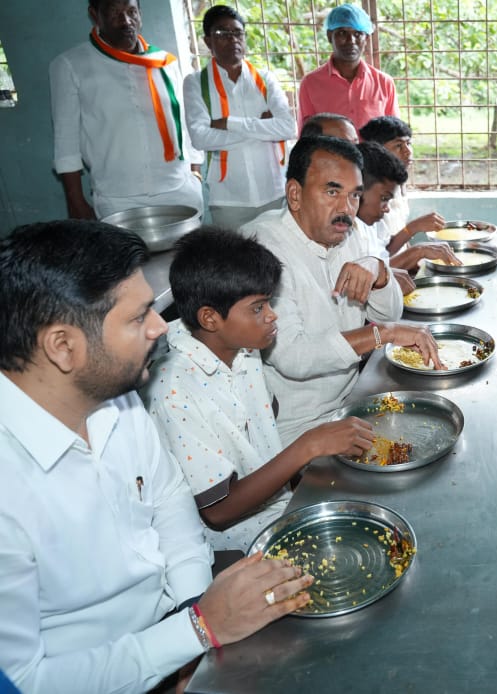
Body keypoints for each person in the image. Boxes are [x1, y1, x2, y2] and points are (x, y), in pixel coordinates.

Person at [0, 220, 312, 692]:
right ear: (63, 346)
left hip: (176, 627)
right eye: (137, 317)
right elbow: (29, 681)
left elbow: (171, 507)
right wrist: (195, 633)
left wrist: (195, 616)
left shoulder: (117, 402)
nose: (159, 327)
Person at [143, 228, 377, 552]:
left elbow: (263, 443)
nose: (272, 315)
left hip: (280, 506)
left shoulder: (243, 349)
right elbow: (219, 512)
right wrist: (309, 446)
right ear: (209, 318)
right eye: (258, 308)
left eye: (269, 302)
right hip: (235, 546)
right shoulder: (174, 393)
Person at [242, 136, 442, 445]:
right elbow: (294, 356)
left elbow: (389, 314)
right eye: (332, 192)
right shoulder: (262, 246)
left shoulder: (350, 232)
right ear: (295, 195)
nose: (346, 209)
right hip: (297, 426)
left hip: (354, 396)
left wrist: (379, 272)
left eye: (354, 195)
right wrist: (383, 334)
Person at [50, 0, 202, 219]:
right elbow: (66, 142)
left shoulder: (164, 62)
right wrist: (76, 202)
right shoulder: (71, 65)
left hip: (179, 189)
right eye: (115, 12)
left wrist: (195, 176)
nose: (126, 21)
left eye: (132, 11)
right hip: (118, 198)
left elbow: (185, 123)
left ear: (140, 13)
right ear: (95, 14)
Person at [183, 5, 295, 230]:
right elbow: (201, 138)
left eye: (237, 33)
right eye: (222, 33)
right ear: (207, 41)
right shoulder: (195, 83)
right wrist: (262, 128)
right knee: (232, 254)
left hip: (273, 192)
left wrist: (228, 123)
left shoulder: (265, 80)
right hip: (228, 199)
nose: (232, 39)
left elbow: (288, 128)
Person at [354, 141, 460, 295]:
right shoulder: (343, 234)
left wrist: (413, 229)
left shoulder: (370, 219)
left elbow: (385, 251)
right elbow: (366, 280)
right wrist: (417, 252)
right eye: (384, 199)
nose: (387, 208)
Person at [297, 3, 397, 132]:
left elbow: (395, 134)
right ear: (329, 36)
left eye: (358, 34)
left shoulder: (384, 83)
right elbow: (305, 136)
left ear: (366, 38)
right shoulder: (310, 84)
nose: (351, 40)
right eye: (342, 33)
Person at [359, 116, 448, 251]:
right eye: (398, 145)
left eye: (409, 143)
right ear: (378, 150)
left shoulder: (397, 183)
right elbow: (380, 254)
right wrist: (413, 228)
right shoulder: (370, 191)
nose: (408, 151)